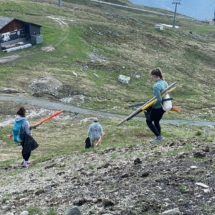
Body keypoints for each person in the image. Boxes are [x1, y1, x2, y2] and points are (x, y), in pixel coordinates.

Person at [146, 68, 168, 143]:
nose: (152, 78)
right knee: (156, 121)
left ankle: (158, 137)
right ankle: (159, 137)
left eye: (152, 77)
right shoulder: (164, 82)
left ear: (154, 76)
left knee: (148, 121)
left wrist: (152, 105)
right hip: (163, 107)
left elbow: (159, 99)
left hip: (157, 107)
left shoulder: (156, 86)